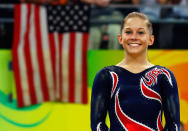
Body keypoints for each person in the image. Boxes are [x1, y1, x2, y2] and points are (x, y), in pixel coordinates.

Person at [90, 12, 180, 131]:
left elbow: (173, 125)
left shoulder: (163, 75)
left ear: (151, 39)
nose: (134, 37)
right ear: (120, 39)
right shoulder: (106, 76)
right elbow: (97, 124)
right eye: (128, 32)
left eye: (141, 32)